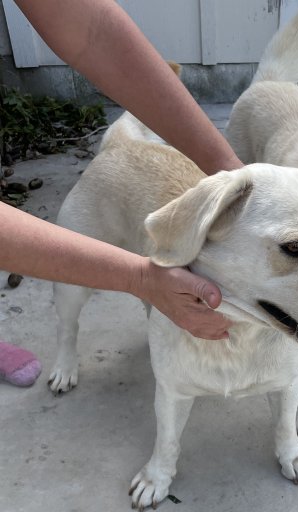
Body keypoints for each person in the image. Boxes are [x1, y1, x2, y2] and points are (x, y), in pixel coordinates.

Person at [1, 0, 244, 386]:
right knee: (70, 291)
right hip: (103, 192)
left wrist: (231, 171)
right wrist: (140, 279)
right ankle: (66, 343)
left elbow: (92, 25)